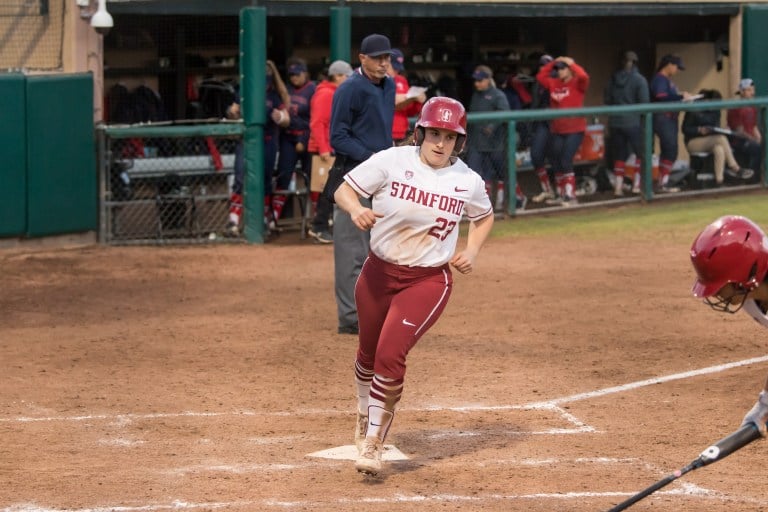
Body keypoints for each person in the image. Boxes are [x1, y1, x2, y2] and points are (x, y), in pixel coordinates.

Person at [333, 96, 494, 476]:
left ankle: (373, 442)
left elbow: (484, 217)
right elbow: (344, 189)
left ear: (460, 142)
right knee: (367, 355)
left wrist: (471, 249)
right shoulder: (392, 160)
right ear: (419, 133)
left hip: (426, 280)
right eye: (434, 133)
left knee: (390, 355)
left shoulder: (466, 180)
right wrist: (356, 208)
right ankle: (362, 414)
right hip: (377, 273)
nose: (441, 143)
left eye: (450, 137)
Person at [328, 33, 396, 335]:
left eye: (387, 57)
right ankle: (350, 318)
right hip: (352, 177)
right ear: (362, 58)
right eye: (378, 58)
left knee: (378, 249)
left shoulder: (389, 85)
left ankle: (372, 311)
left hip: (381, 179)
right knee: (351, 252)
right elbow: (337, 137)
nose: (384, 63)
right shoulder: (349, 89)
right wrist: (372, 158)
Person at [690, 215, 768, 436]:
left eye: (718, 284)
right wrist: (764, 404)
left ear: (744, 277)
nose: (713, 293)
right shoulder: (754, 294)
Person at [226, 60, 290, 236]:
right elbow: (233, 114)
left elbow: (287, 118)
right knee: (240, 178)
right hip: (247, 142)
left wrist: (281, 117)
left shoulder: (274, 94)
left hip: (269, 142)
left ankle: (264, 220)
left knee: (266, 180)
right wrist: (233, 112)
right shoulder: (244, 91)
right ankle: (233, 222)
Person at [306, 60, 353, 244]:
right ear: (337, 76)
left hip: (330, 148)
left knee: (330, 189)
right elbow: (317, 123)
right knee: (326, 190)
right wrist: (324, 149)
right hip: (322, 150)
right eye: (346, 76)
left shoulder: (334, 93)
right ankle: (319, 227)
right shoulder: (325, 93)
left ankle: (321, 225)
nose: (348, 80)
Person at [468, 65, 524, 212]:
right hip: (477, 142)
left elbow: (505, 113)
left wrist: (492, 126)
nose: (477, 83)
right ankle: (482, 206)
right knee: (475, 174)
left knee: (503, 172)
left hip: (495, 142)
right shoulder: (475, 95)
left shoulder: (497, 95)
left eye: (480, 80)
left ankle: (517, 199)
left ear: (488, 79)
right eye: (476, 81)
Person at [536, 55, 590, 206]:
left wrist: (572, 64)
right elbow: (540, 76)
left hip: (575, 129)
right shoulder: (554, 83)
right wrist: (554, 62)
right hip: (558, 129)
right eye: (557, 69)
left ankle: (571, 196)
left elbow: (584, 76)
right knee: (557, 161)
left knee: (566, 159)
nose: (559, 71)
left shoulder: (577, 83)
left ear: (569, 70)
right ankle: (561, 194)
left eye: (562, 68)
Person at [681, 88, 753, 187]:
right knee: (721, 139)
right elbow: (685, 129)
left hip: (711, 140)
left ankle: (719, 181)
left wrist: (715, 130)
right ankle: (736, 168)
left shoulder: (715, 111)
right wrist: (699, 130)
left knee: (719, 149)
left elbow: (716, 127)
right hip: (693, 142)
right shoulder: (694, 109)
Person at [273, 59, 316, 225]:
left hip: (307, 137)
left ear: (305, 73)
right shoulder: (287, 91)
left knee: (312, 179)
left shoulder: (313, 89)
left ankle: (317, 218)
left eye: (297, 74)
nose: (294, 78)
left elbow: (315, 120)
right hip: (288, 137)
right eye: (291, 75)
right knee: (283, 176)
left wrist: (303, 141)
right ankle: (273, 218)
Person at [604, 50, 649, 196]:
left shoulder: (612, 78)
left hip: (615, 122)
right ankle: (636, 185)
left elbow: (607, 100)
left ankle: (618, 187)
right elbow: (644, 103)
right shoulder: (639, 79)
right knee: (641, 154)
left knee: (619, 156)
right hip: (633, 122)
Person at [650, 54, 693, 193]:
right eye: (676, 66)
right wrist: (680, 96)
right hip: (663, 118)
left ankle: (663, 182)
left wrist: (681, 96)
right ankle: (662, 183)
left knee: (670, 151)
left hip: (669, 118)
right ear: (668, 64)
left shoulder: (667, 80)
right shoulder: (659, 79)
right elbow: (661, 97)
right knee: (670, 150)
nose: (677, 70)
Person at [529, 54, 556, 203]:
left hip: (556, 124)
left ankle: (562, 192)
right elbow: (534, 105)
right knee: (536, 155)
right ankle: (547, 190)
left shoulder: (558, 82)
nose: (543, 68)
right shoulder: (537, 83)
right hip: (541, 123)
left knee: (557, 158)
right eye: (541, 65)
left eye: (547, 65)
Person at [388, 48, 426, 144]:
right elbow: (391, 103)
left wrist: (417, 101)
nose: (396, 71)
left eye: (398, 68)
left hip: (403, 131)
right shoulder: (378, 81)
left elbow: (409, 111)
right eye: (394, 67)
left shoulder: (401, 80)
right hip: (386, 132)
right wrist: (408, 97)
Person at [727, 78, 762, 175]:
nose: (752, 93)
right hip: (739, 141)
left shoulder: (752, 107)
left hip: (750, 139)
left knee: (762, 145)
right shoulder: (736, 107)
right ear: (742, 92)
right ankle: (753, 176)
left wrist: (759, 138)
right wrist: (754, 140)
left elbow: (754, 127)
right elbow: (739, 132)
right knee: (757, 148)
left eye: (753, 90)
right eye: (749, 90)